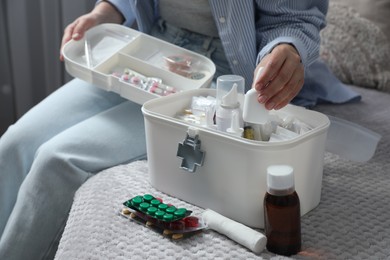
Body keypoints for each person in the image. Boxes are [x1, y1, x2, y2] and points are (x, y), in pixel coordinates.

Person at [1, 1, 355, 259]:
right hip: (149, 49)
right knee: (14, 143)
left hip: (226, 71)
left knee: (58, 160)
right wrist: (105, 12)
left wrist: (287, 50)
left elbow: (293, 17)